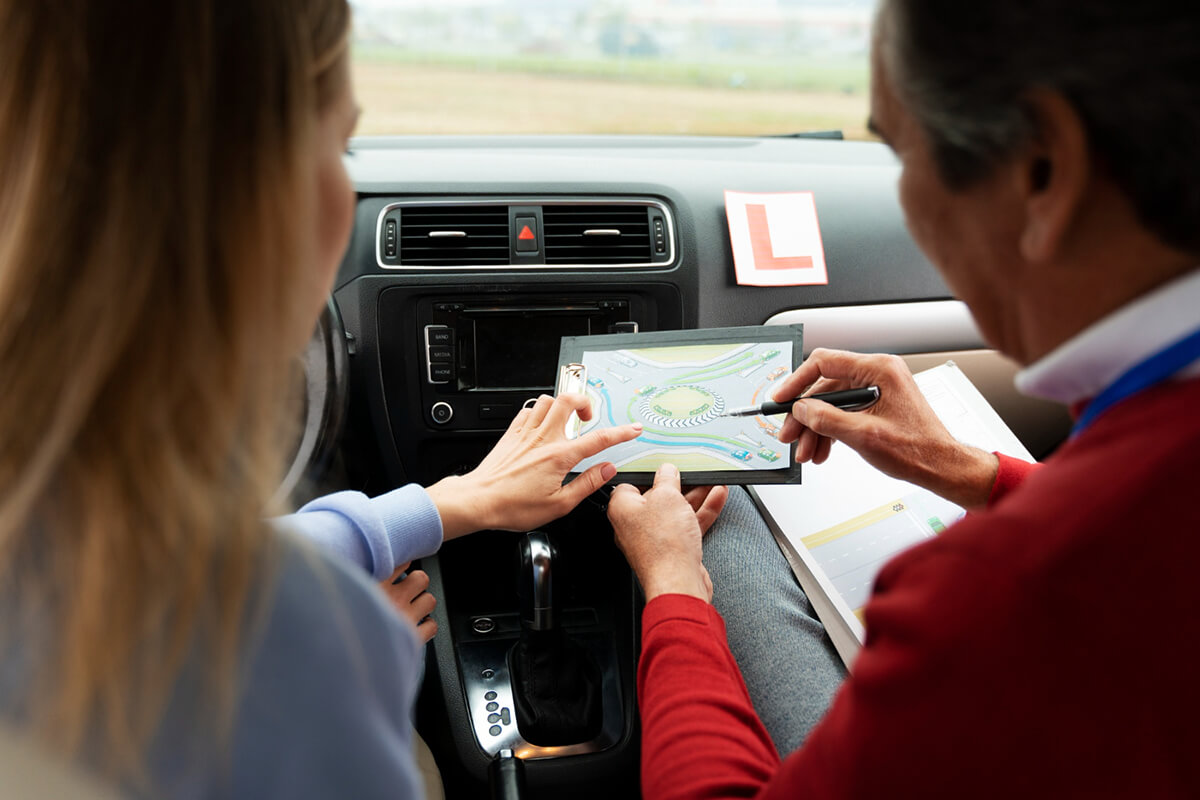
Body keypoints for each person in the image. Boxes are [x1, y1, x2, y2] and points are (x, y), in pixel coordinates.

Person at [0, 2, 638, 798]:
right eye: (340, 143)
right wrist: (370, 675)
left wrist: (450, 505)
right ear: (252, 203)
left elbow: (229, 555)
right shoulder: (300, 648)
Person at [609, 0, 1200, 796]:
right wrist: (973, 474)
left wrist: (673, 591)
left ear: (1043, 171)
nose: (909, 202)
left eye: (898, 150)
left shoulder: (1002, 591)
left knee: (730, 515)